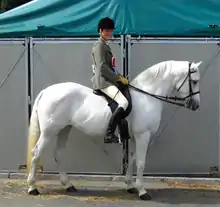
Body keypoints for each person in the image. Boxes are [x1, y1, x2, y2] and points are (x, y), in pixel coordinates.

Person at [91, 17, 129, 143]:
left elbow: (110, 67)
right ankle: (109, 133)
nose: (109, 33)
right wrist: (118, 78)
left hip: (108, 79)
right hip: (103, 82)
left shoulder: (105, 45)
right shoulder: (99, 45)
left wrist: (121, 77)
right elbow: (102, 67)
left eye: (110, 31)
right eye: (106, 31)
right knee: (123, 103)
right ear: (100, 31)